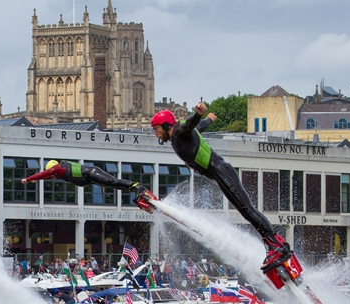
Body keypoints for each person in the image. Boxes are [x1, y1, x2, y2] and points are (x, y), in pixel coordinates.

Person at [150, 103, 292, 266]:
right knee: (246, 210)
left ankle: (277, 246)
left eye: (156, 128)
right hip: (220, 173)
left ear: (166, 125)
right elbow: (199, 127)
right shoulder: (183, 134)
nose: (155, 133)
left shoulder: (178, 134)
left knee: (247, 210)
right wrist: (209, 119)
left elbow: (190, 125)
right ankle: (274, 244)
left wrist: (197, 115)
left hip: (221, 171)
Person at [21, 160, 147, 199]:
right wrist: (36, 181)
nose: (53, 176)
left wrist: (28, 179)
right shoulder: (58, 172)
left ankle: (136, 186)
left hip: (91, 173)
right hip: (88, 178)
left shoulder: (58, 168)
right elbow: (47, 177)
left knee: (111, 181)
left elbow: (44, 174)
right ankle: (133, 190)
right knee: (112, 185)